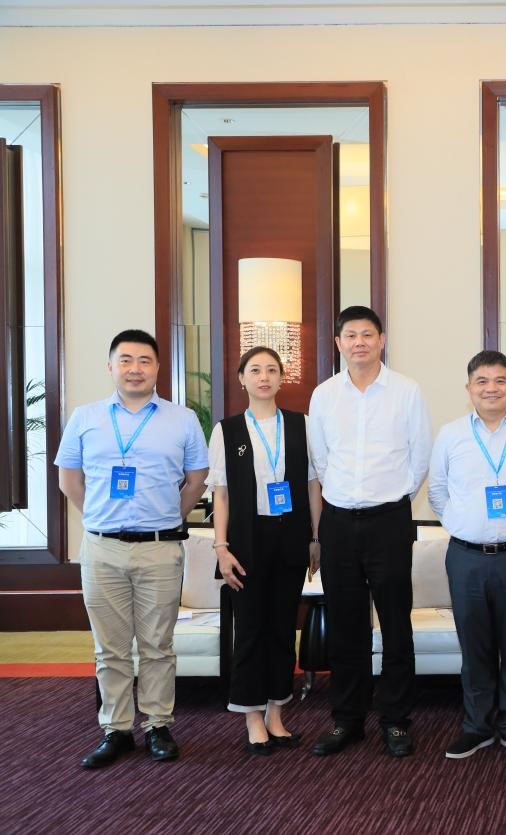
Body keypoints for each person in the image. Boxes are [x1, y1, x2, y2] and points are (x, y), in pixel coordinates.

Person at [56, 329, 209, 769]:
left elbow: (196, 479)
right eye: (125, 360)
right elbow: (69, 481)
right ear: (111, 366)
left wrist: (169, 516)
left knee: (158, 644)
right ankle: (116, 729)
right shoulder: (85, 418)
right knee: (111, 647)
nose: (135, 369)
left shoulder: (181, 419)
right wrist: (100, 518)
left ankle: (158, 725)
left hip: (159, 549)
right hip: (102, 549)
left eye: (144, 360)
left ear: (158, 367)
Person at [306, 306, 432, 758]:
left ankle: (396, 720)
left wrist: (393, 497)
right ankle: (347, 719)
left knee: (396, 623)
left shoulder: (406, 391)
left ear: (381, 340)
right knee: (346, 626)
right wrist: (343, 501)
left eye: (367, 334)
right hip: (339, 521)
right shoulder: (324, 395)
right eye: (350, 335)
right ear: (338, 343)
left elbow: (420, 457)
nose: (359, 342)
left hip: (389, 521)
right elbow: (320, 459)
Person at [428, 350, 506, 760]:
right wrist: (462, 524)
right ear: (469, 388)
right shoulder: (450, 435)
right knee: (475, 646)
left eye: (500, 380)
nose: (491, 388)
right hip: (466, 557)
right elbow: (437, 491)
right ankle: (477, 726)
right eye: (482, 381)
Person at [207, 347, 321, 755]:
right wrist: (221, 547)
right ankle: (252, 715)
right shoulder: (227, 430)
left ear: (281, 377)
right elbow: (221, 494)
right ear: (242, 378)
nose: (264, 377)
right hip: (246, 540)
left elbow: (312, 484)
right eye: (255, 370)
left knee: (282, 628)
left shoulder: (301, 425)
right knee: (251, 630)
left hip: (291, 536)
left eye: (272, 370)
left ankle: (276, 711)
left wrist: (316, 537)